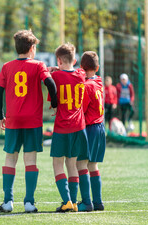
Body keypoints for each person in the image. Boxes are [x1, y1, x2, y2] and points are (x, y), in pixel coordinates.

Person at [0, 30, 57, 213]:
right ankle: (29, 202)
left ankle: (8, 201)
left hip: (13, 120)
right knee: (30, 160)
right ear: (32, 48)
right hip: (33, 121)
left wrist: (1, 115)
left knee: (10, 158)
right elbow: (50, 84)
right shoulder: (39, 65)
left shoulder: (7, 66)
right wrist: (54, 103)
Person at [48, 43, 89, 212]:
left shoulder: (56, 78)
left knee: (58, 163)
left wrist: (53, 69)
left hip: (62, 126)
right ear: (75, 59)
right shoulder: (81, 74)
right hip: (79, 126)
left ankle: (66, 201)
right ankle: (73, 201)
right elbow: (75, 69)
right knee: (72, 165)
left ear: (59, 60)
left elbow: (53, 93)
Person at [77, 51, 106, 212]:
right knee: (93, 165)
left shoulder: (86, 87)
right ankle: (98, 202)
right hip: (100, 127)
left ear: (82, 67)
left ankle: (86, 202)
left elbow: (82, 108)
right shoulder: (99, 82)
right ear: (98, 67)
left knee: (80, 164)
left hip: (89, 127)